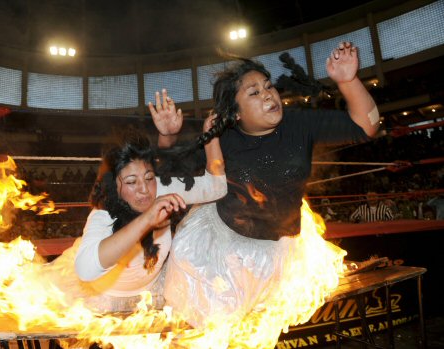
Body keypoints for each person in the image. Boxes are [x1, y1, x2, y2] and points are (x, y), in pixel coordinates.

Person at [151, 41, 380, 342]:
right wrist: (167, 137)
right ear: (235, 114)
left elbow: (367, 125)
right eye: (254, 93)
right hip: (219, 253)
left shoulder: (298, 124)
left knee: (258, 334)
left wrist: (347, 81)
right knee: (216, 336)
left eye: (268, 86)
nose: (268, 95)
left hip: (280, 250)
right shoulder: (222, 137)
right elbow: (165, 173)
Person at [45, 125, 226, 314]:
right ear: (113, 185)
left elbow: (216, 187)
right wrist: (146, 220)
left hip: (152, 294)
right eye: (131, 182)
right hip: (102, 300)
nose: (144, 189)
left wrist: (211, 133)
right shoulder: (103, 214)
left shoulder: (160, 190)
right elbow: (85, 269)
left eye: (149, 178)